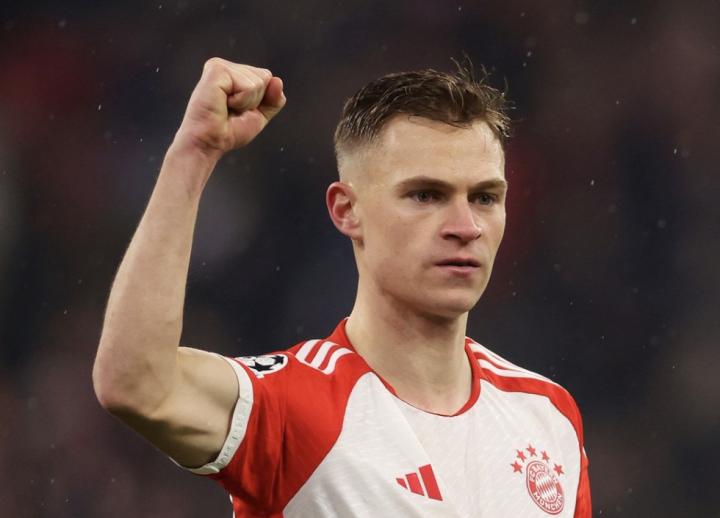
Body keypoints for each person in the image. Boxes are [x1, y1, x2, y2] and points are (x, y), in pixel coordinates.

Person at [93, 57, 591, 517]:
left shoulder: (548, 416)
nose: (466, 226)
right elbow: (136, 383)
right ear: (346, 210)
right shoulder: (294, 405)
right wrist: (194, 153)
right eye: (426, 195)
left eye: (484, 198)